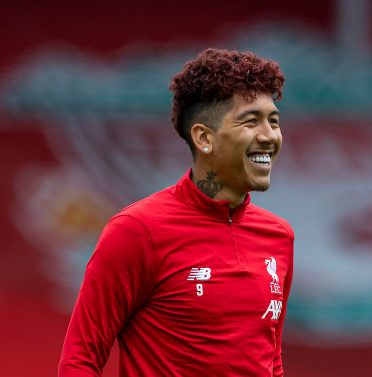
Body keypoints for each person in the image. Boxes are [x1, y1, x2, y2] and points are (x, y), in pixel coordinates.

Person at [58, 48, 294, 376]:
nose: (270, 136)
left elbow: (271, 362)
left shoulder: (279, 236)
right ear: (203, 138)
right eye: (251, 121)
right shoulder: (138, 229)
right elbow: (80, 360)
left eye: (274, 121)